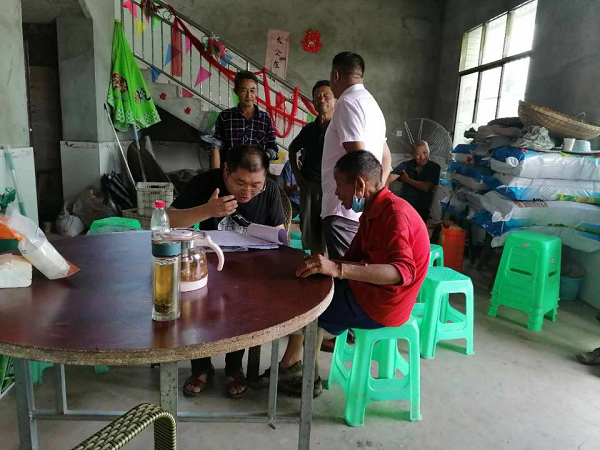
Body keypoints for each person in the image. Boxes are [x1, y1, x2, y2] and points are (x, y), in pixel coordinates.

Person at [259, 151, 430, 397]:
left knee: (308, 310)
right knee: (307, 286)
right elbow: (351, 258)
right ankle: (291, 365)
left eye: (339, 185)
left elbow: (400, 272)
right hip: (370, 290)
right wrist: (322, 265)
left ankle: (306, 378)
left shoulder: (395, 214)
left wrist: (337, 269)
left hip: (385, 303)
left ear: (360, 185)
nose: (337, 193)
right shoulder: (373, 211)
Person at [168, 144, 285, 398]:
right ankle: (201, 367)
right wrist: (207, 211)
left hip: (250, 267)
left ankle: (234, 367)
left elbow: (279, 235)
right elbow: (169, 220)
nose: (247, 191)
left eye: (256, 185)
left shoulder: (270, 190)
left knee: (244, 307)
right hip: (207, 262)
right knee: (196, 308)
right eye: (240, 183)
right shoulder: (205, 183)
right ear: (226, 171)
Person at [321, 51, 392, 261]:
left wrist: (363, 195)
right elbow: (386, 157)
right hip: (361, 204)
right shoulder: (372, 104)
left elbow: (358, 158)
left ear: (335, 75)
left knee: (347, 270)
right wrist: (376, 192)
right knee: (358, 266)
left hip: (344, 207)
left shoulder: (346, 103)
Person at [288, 80, 334, 256]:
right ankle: (316, 261)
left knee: (331, 232)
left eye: (326, 95)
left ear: (335, 99)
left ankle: (330, 266)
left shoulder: (340, 128)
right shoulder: (308, 130)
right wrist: (297, 174)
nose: (321, 99)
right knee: (310, 230)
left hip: (334, 190)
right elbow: (292, 149)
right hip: (311, 186)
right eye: (317, 96)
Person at [209, 71, 279, 169]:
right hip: (231, 171)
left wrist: (262, 157)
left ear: (256, 92)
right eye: (244, 90)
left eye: (252, 90)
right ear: (236, 91)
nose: (248, 95)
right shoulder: (225, 117)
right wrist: (215, 174)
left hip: (255, 171)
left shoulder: (265, 119)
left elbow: (273, 150)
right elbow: (216, 147)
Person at [385, 140, 441, 223]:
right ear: (412, 154)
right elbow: (388, 179)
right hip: (404, 207)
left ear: (429, 151)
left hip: (422, 210)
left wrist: (407, 180)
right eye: (418, 154)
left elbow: (426, 187)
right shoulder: (406, 165)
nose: (422, 157)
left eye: (425, 153)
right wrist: (385, 199)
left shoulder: (434, 167)